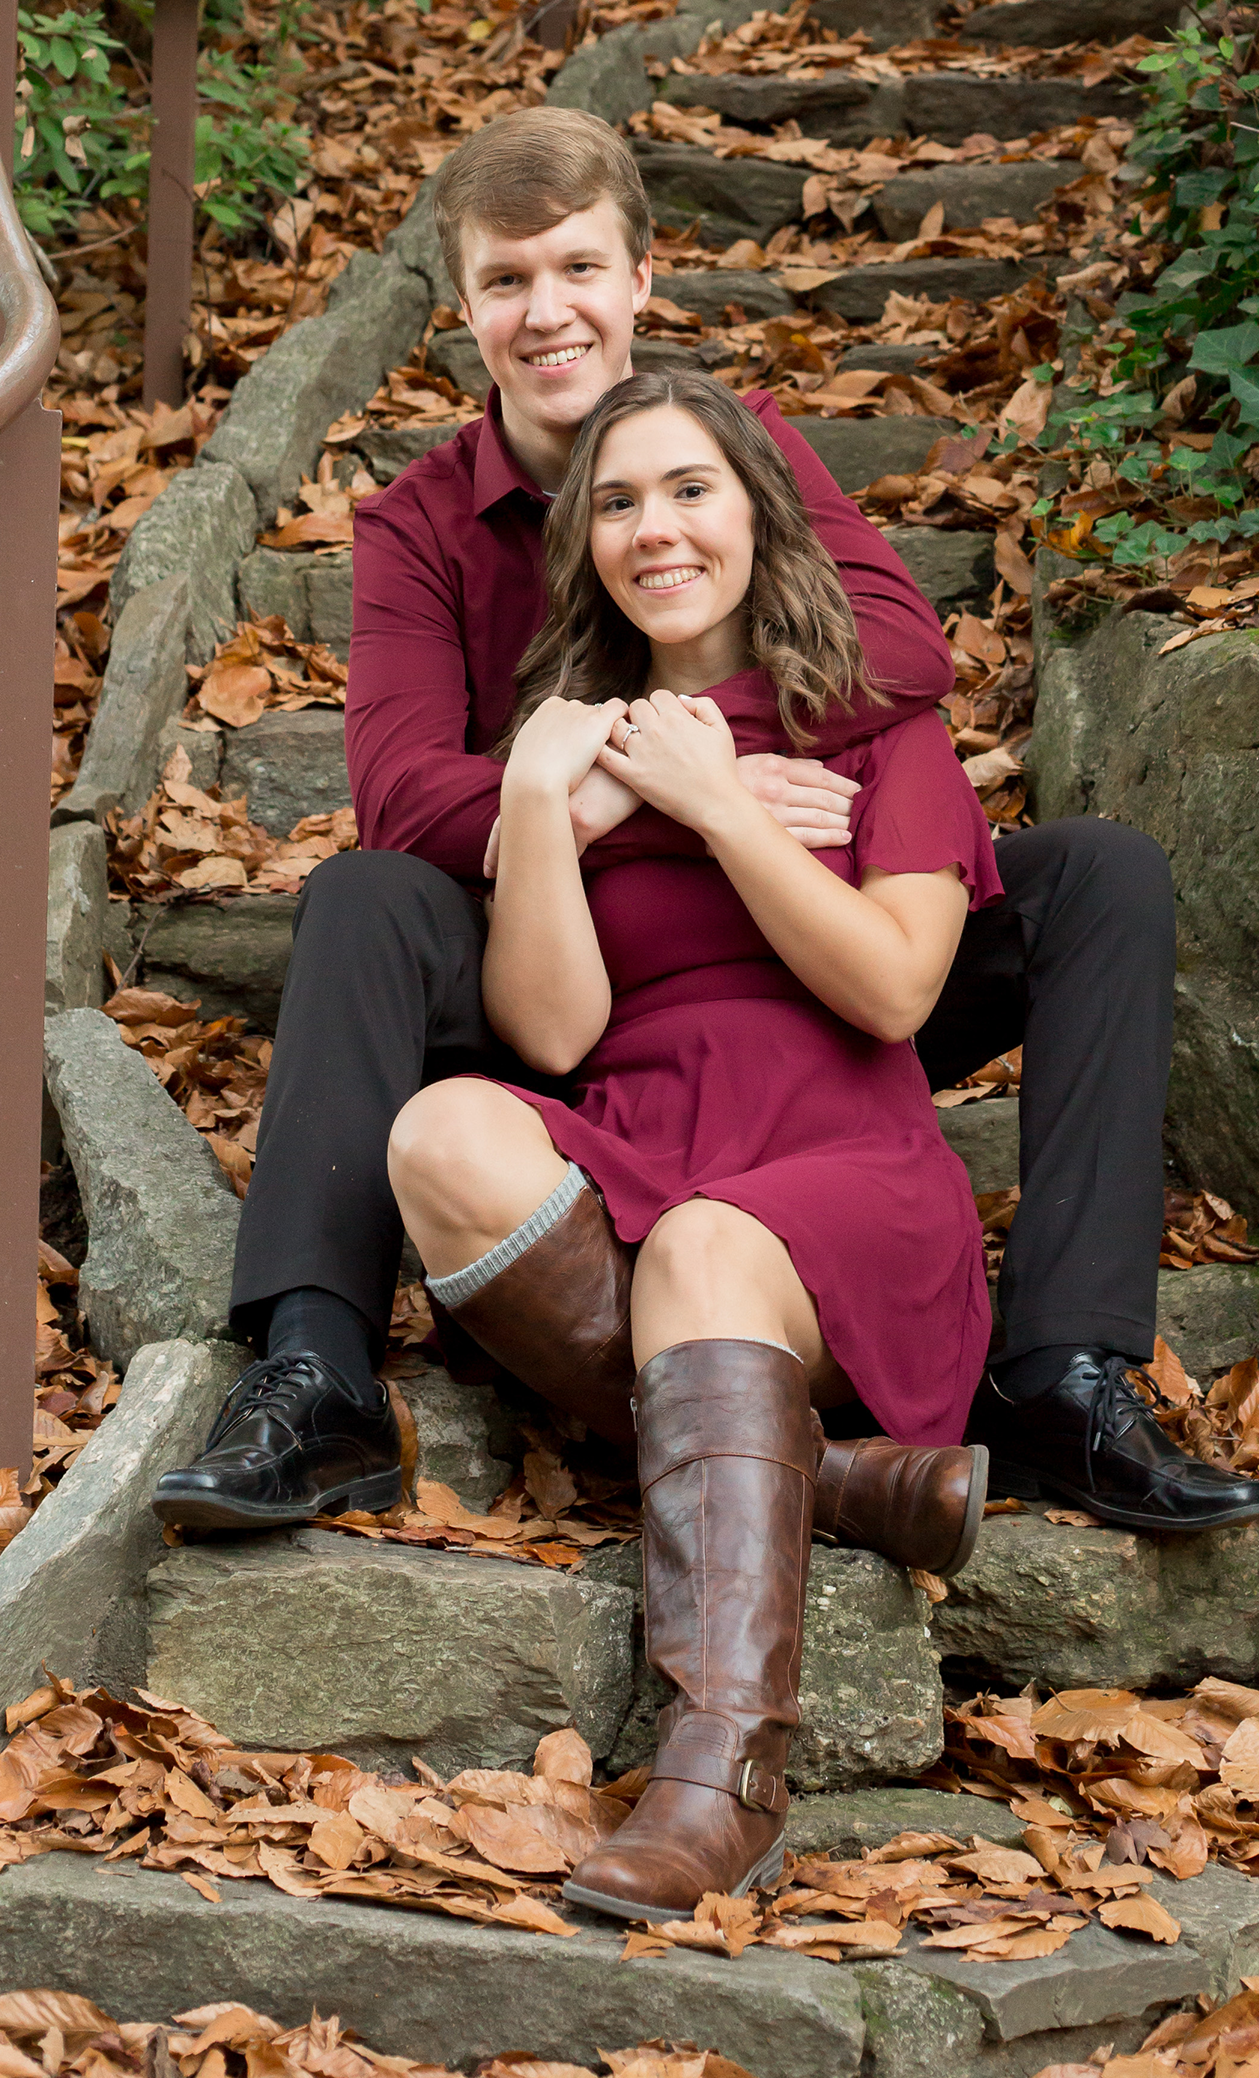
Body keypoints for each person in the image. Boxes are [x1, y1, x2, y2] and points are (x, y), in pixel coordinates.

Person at [151, 108, 1259, 1540]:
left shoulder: (728, 453)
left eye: (578, 268)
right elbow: (404, 791)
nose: (548, 311)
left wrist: (711, 776)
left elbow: (903, 651)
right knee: (365, 894)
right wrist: (611, 788)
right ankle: (315, 1374)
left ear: (640, 280)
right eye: (507, 280)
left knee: (1100, 874)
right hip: (567, 978)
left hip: (818, 972)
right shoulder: (419, 529)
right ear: (464, 306)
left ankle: (1062, 1373)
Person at [390, 368, 999, 1920]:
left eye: (689, 491)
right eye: (617, 501)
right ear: (583, 543)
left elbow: (897, 986)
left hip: (840, 1172)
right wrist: (539, 800)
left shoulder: (877, 727)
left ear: (759, 513)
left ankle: (720, 1770)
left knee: (715, 1245)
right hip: (646, 1138)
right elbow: (552, 1036)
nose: (653, 528)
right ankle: (832, 1475)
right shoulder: (573, 741)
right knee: (442, 1136)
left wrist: (719, 808)